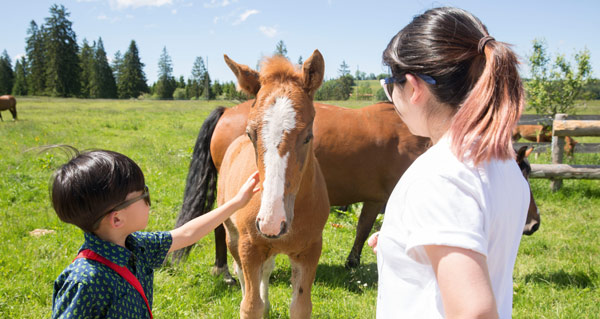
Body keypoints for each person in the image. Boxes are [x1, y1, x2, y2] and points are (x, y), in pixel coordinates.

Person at [368, 7, 530, 319]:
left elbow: (475, 312)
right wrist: (399, 242)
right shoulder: (502, 163)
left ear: (414, 88)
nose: (391, 98)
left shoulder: (440, 177)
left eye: (390, 86)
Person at [50, 148, 259, 319]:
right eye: (143, 194)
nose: (149, 199)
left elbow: (186, 234)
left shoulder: (137, 246)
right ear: (117, 219)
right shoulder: (84, 282)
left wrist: (236, 202)